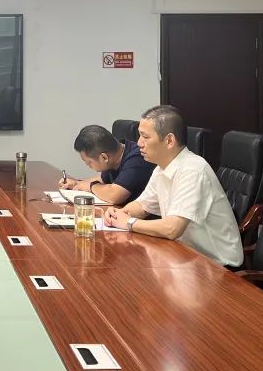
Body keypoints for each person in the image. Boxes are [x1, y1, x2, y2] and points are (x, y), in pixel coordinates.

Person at [102, 105, 243, 267]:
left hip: (217, 265)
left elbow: (172, 228)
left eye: (145, 137)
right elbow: (142, 206)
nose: (139, 143)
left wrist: (129, 223)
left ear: (169, 141)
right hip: (183, 254)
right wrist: (118, 214)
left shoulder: (193, 170)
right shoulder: (161, 167)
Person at [59, 124, 155, 206]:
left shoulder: (137, 158)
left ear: (104, 157)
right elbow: (101, 179)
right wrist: (76, 184)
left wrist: (90, 187)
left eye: (88, 162)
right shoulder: (115, 156)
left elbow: (115, 195)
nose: (87, 165)